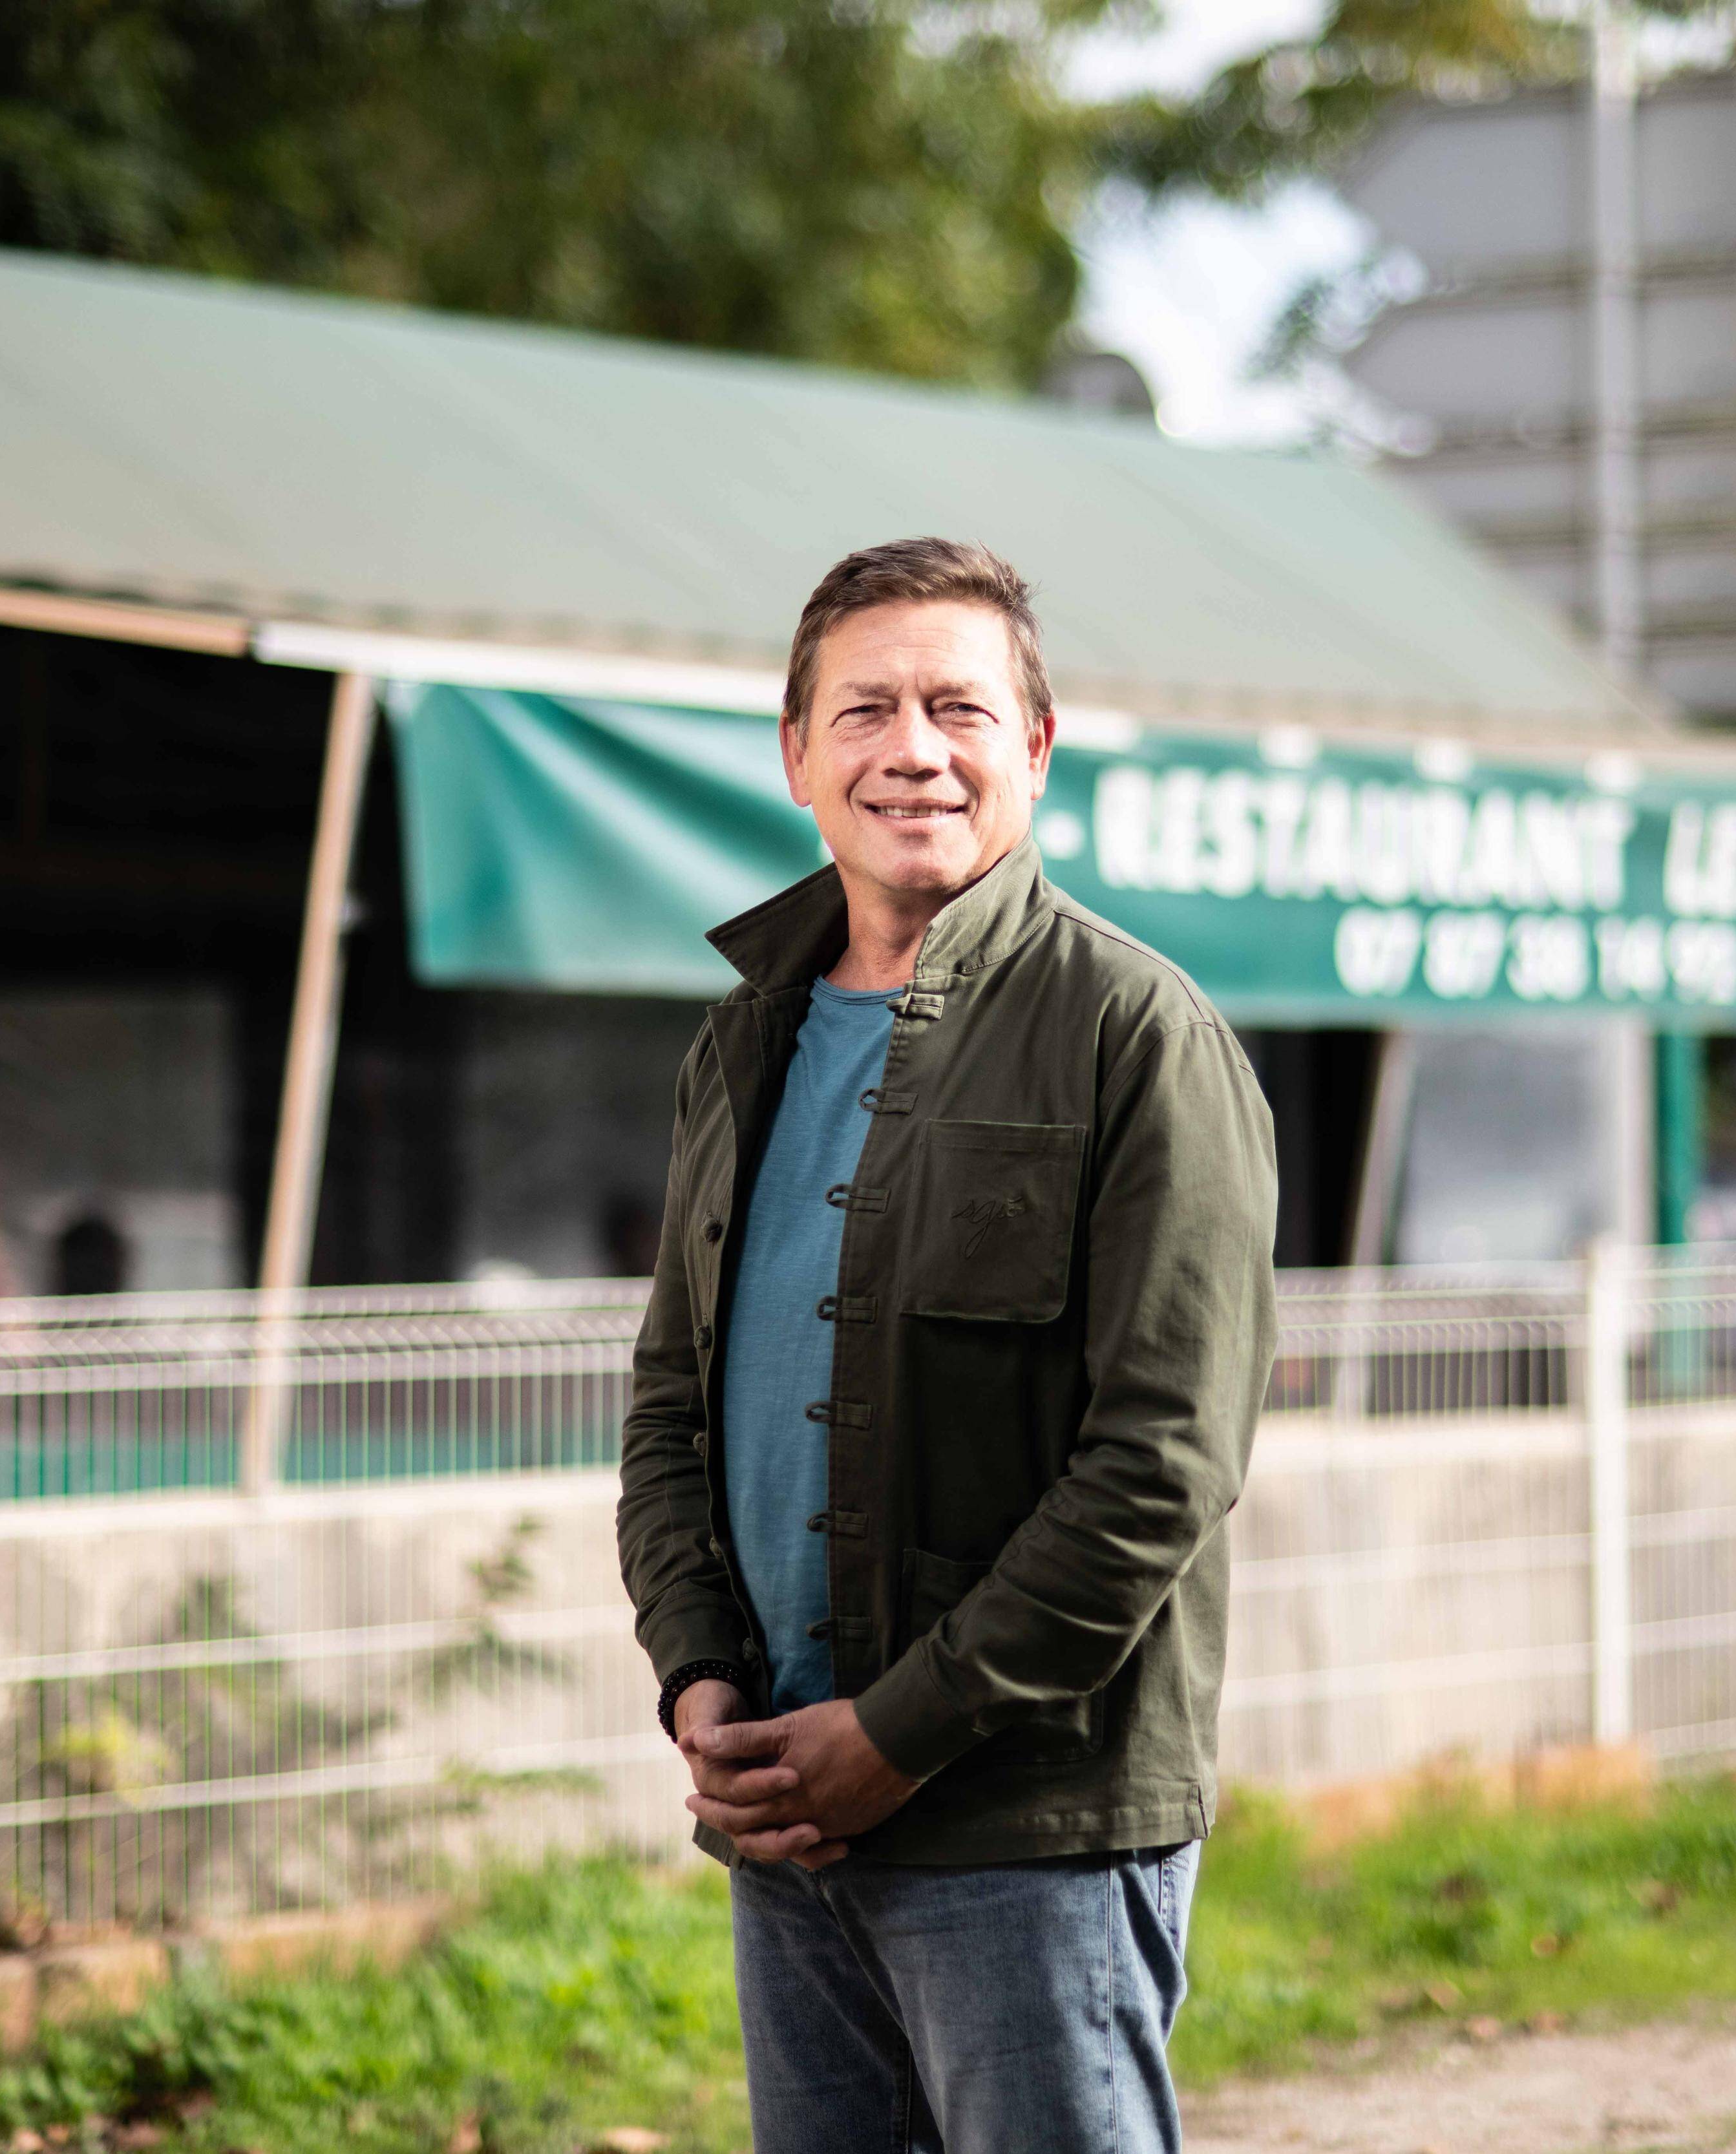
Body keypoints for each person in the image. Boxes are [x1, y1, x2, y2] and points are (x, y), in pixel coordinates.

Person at [615, 538, 1280, 2153]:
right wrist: (701, 1676)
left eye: (958, 707)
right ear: (795, 754)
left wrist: (895, 1733)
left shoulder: (1137, 1035)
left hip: (1025, 1823)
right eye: (863, 710)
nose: (911, 749)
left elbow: (1159, 1463)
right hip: (786, 1810)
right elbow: (670, 1402)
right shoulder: (743, 1037)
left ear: (1034, 747)